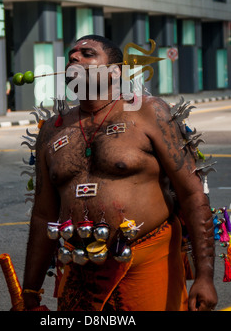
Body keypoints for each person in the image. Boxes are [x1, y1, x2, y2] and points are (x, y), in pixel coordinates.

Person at [22, 35, 218, 311]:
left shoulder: (149, 113)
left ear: (115, 72)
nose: (74, 58)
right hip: (79, 271)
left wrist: (205, 276)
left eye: (87, 54)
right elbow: (43, 216)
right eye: (71, 55)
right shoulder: (52, 130)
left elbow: (192, 193)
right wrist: (30, 288)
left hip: (147, 267)